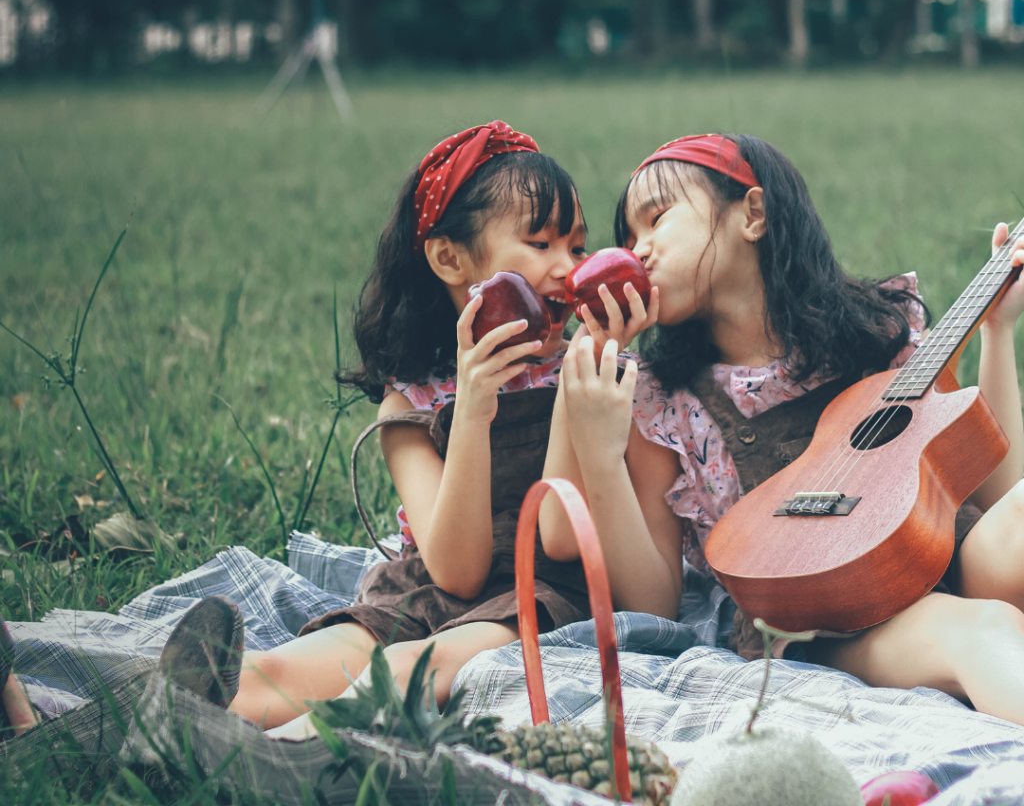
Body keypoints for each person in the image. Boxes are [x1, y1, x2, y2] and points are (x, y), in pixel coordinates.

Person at [0, 120, 682, 742]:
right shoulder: (412, 403)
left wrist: (580, 381)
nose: (569, 267)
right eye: (539, 244)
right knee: (285, 669)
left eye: (579, 245)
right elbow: (455, 568)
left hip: (535, 597)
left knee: (416, 666)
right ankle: (75, 735)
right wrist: (472, 409)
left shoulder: (598, 376)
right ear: (450, 261)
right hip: (429, 588)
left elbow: (553, 537)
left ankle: (288, 752)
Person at [550, 132, 1024, 726]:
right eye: (628, 238)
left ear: (752, 215)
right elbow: (653, 604)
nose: (637, 250)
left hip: (948, 550)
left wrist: (998, 333)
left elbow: (993, 483)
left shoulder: (876, 332)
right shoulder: (664, 402)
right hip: (832, 620)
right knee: (982, 629)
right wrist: (597, 453)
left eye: (657, 219)